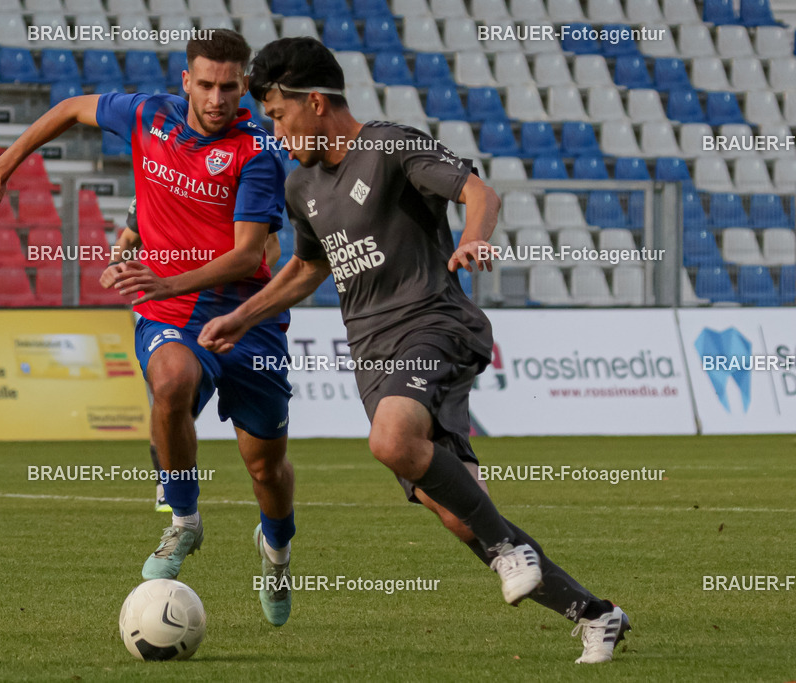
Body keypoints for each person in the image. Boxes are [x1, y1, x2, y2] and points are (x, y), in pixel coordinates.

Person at [198, 37, 630, 662]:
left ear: (314, 103)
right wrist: (242, 316)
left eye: (277, 115)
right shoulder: (302, 186)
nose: (275, 129)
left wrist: (474, 240)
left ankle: (514, 553)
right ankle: (597, 614)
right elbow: (305, 269)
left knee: (391, 442)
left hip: (434, 322)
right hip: (373, 356)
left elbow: (479, 193)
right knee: (462, 513)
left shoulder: (391, 146)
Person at [0, 29, 297, 626]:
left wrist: (163, 279)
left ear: (244, 86)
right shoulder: (149, 114)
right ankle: (184, 521)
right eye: (206, 85)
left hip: (248, 315)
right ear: (185, 83)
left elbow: (248, 255)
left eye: (229, 87)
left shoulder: (257, 150)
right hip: (170, 309)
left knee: (265, 470)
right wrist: (1, 167)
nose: (217, 98)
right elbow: (70, 108)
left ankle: (276, 552)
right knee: (171, 381)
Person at [114, 198, 282, 514]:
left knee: (252, 436)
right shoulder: (156, 190)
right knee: (168, 391)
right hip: (169, 311)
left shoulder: (236, 192)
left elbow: (270, 248)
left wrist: (243, 281)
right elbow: (127, 239)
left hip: (229, 311)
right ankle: (166, 482)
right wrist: (115, 266)